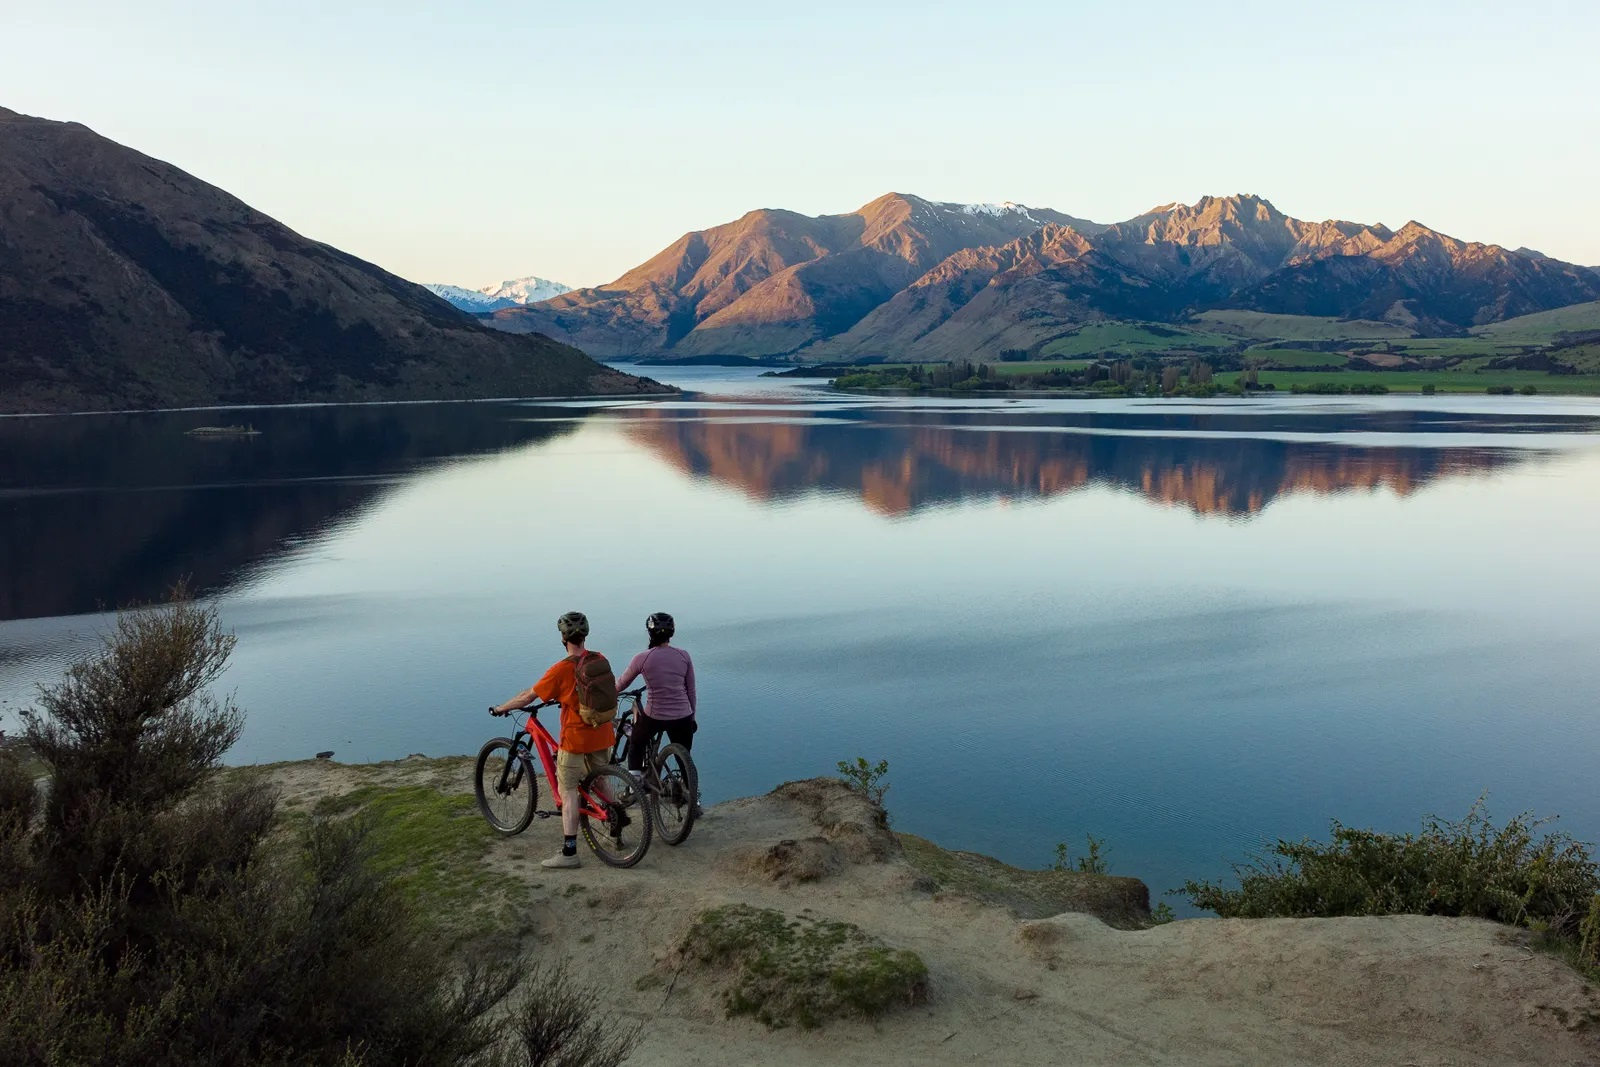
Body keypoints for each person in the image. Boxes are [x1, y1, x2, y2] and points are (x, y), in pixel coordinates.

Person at [491, 611, 616, 869]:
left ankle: (569, 853)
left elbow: (528, 697)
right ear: (585, 635)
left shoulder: (560, 669)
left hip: (576, 738)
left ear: (563, 637)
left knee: (567, 789)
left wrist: (502, 708)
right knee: (600, 778)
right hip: (603, 732)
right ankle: (616, 818)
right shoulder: (599, 659)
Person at [614, 612, 699, 813]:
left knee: (636, 741)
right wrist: (692, 717)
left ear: (649, 633)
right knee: (684, 757)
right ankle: (693, 801)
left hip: (655, 716)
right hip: (683, 717)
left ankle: (634, 782)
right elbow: (691, 691)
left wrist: (607, 693)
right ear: (672, 633)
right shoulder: (684, 655)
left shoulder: (642, 658)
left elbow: (622, 683)